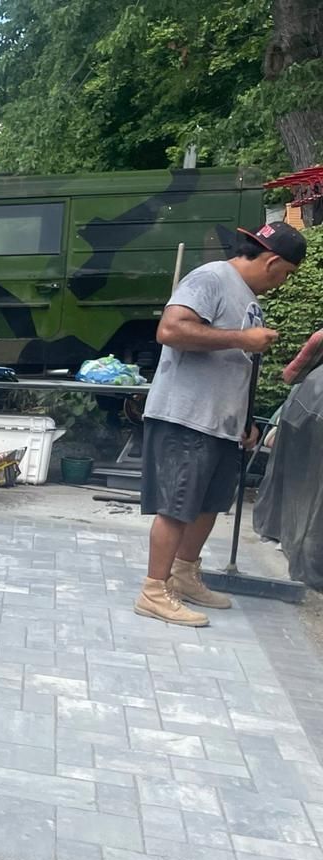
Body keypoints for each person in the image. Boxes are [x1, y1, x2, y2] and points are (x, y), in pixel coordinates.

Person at [134, 222, 305, 626]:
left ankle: (184, 573)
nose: (282, 283)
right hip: (187, 415)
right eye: (286, 275)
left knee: (210, 504)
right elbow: (171, 330)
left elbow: (236, 366)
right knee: (177, 507)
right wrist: (243, 340)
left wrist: (246, 419)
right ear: (273, 261)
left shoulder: (247, 297)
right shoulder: (211, 278)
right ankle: (154, 590)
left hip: (220, 422)